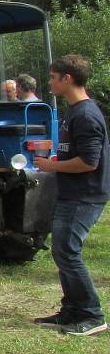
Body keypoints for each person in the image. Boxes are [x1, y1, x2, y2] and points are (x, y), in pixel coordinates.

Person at [33, 55, 108, 336]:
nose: (50, 82)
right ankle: (72, 311)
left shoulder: (86, 115)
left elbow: (90, 162)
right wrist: (59, 158)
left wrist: (52, 165)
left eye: (53, 77)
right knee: (62, 251)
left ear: (68, 79)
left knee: (68, 251)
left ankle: (92, 314)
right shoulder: (75, 112)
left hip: (84, 195)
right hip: (72, 193)